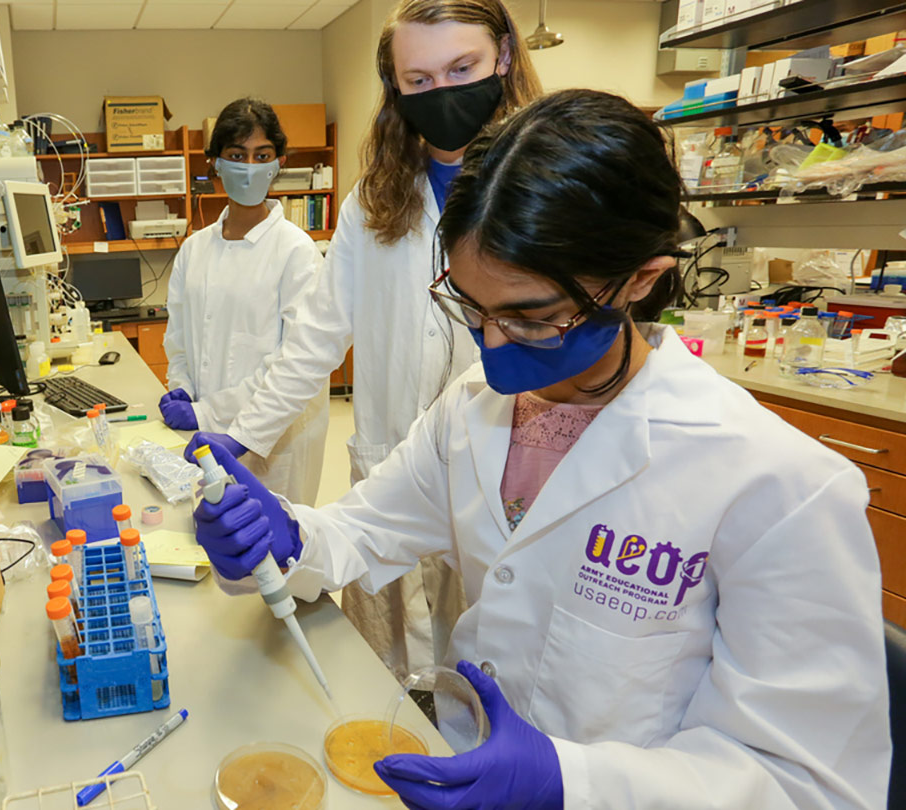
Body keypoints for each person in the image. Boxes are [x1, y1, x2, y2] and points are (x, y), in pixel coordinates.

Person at [192, 89, 889, 809]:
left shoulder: (780, 486)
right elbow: (363, 531)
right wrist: (282, 535)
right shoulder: (473, 411)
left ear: (640, 278)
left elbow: (814, 786)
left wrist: (570, 783)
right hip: (461, 766)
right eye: (472, 306)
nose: (491, 347)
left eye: (533, 317)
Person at [191, 0, 544, 684]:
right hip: (390, 467)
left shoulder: (543, 187)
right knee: (391, 671)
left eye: (462, 67)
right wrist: (243, 434)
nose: (441, 92)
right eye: (418, 79)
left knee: (489, 670)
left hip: (510, 471)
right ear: (395, 89)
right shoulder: (375, 200)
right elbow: (315, 341)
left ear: (503, 57)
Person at [159, 98, 328, 504]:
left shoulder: (296, 252)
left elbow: (293, 363)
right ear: (215, 163)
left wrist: (207, 413)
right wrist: (181, 388)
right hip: (205, 439)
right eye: (237, 155)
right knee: (215, 549)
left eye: (261, 155)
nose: (249, 167)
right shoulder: (194, 249)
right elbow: (178, 339)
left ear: (279, 162)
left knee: (275, 554)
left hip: (276, 441)